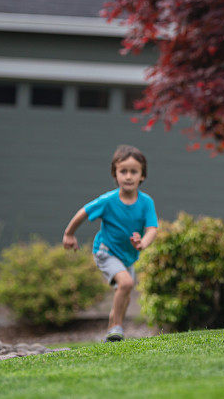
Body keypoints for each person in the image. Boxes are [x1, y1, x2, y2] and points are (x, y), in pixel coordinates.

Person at [62, 145, 158, 341]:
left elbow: (152, 229)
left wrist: (143, 244)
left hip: (127, 256)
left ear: (142, 176)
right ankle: (116, 327)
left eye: (134, 171)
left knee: (125, 293)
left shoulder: (146, 202)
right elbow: (84, 212)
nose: (128, 176)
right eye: (123, 171)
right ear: (115, 174)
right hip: (105, 251)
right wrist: (69, 234)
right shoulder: (108, 200)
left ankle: (111, 334)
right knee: (126, 283)